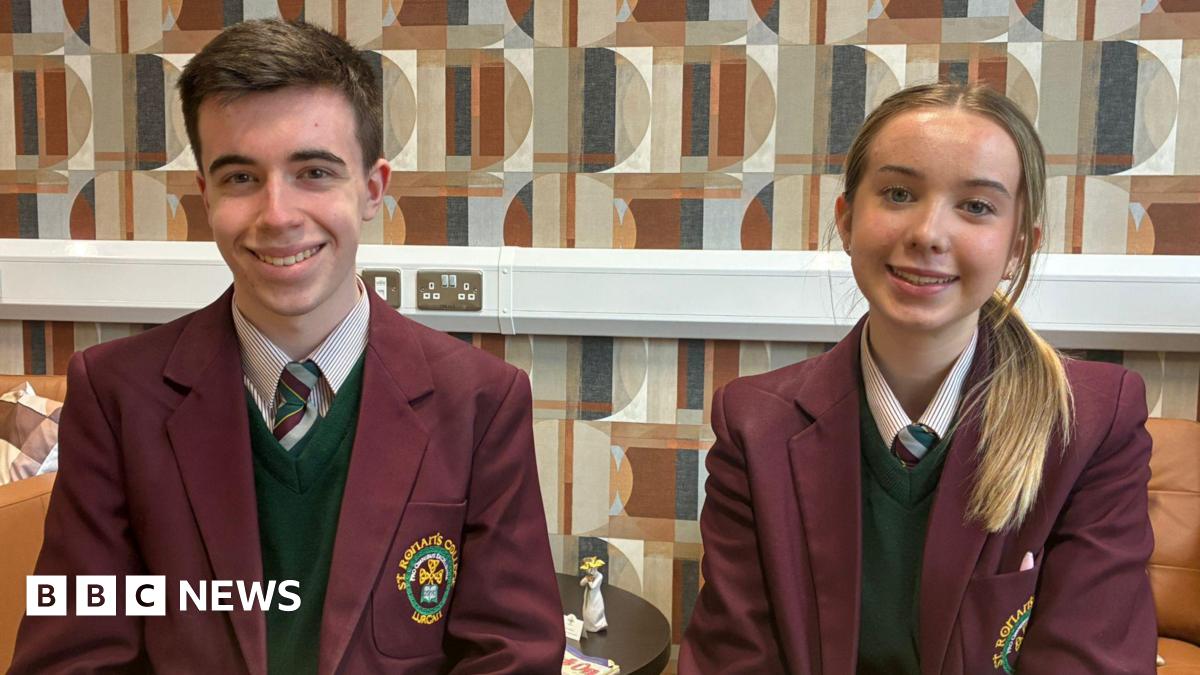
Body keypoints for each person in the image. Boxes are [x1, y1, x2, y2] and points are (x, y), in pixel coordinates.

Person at [11, 19, 563, 675]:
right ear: (206, 195)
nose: (277, 214)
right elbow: (70, 655)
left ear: (372, 189)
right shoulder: (115, 396)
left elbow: (513, 654)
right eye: (241, 177)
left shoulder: (479, 401)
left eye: (314, 171)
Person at [679, 83, 1156, 674]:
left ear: (1017, 249)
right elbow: (733, 661)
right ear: (847, 220)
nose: (929, 232)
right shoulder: (754, 425)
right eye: (899, 193)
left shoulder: (1090, 424)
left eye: (977, 206)